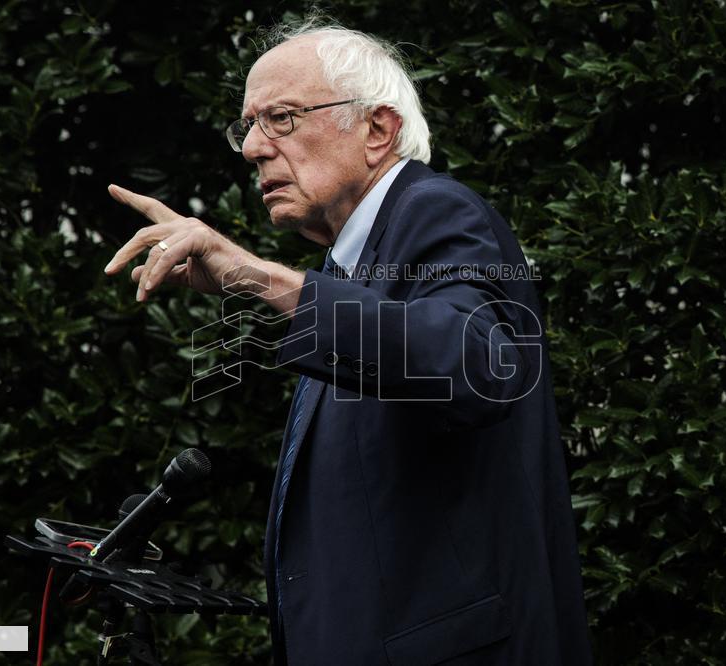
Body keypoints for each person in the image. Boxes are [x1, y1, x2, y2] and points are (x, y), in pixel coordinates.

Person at [103, 20, 592, 666]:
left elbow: (478, 365)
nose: (251, 148)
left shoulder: (436, 209)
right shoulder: (346, 270)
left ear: (377, 130)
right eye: (247, 126)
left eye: (280, 118)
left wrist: (256, 275)